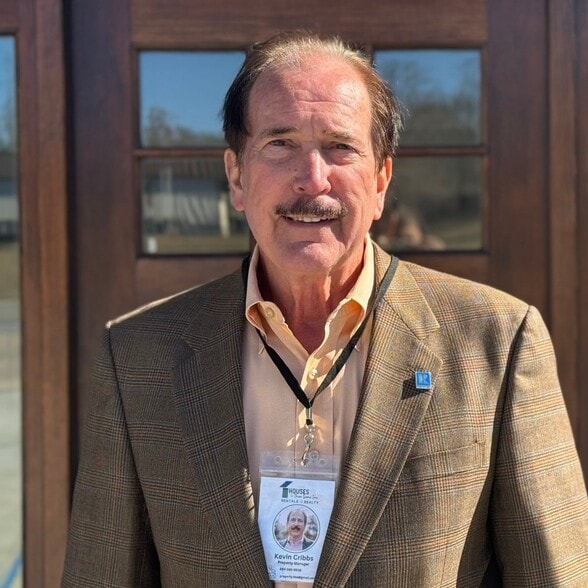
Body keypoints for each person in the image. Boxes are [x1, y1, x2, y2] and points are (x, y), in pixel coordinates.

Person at [62, 31, 588, 587]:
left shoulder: (497, 342)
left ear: (381, 181)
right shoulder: (138, 356)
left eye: (340, 146)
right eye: (280, 143)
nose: (312, 179)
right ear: (237, 176)